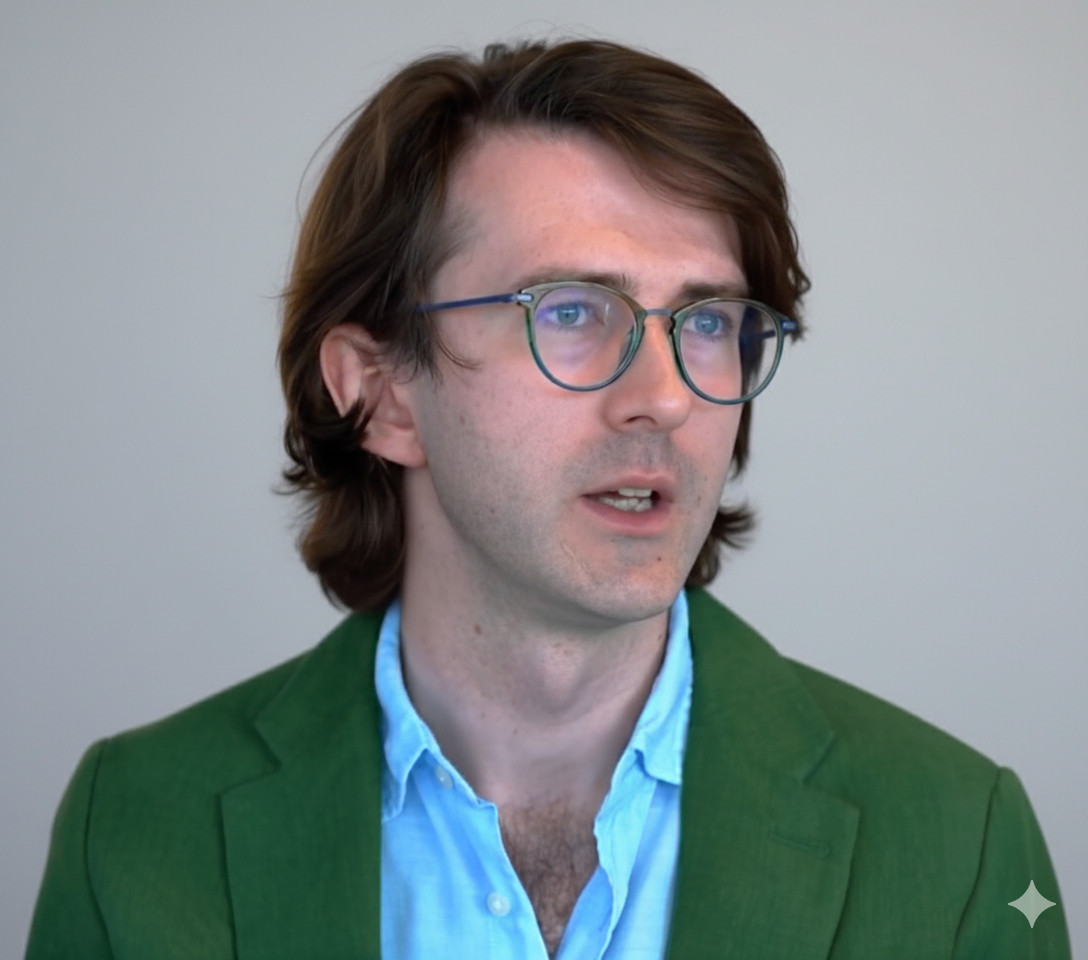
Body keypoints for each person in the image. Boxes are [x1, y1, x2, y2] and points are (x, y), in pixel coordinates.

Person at [26, 39, 1070, 960]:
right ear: (379, 393)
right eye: (571, 311)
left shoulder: (959, 840)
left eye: (708, 322)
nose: (664, 396)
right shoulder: (136, 829)